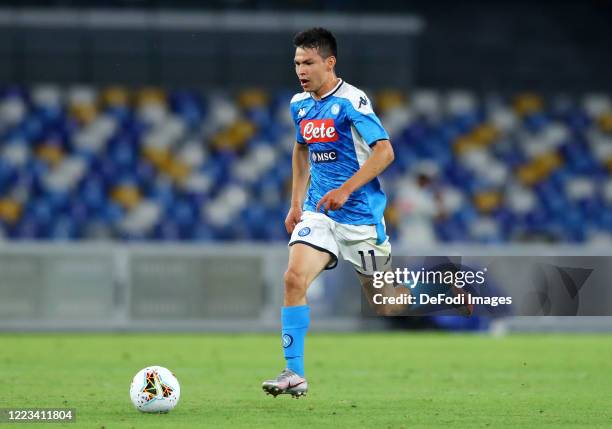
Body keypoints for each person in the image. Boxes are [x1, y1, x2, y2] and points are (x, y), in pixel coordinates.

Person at [261, 27, 396, 399]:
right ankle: (295, 373)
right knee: (293, 279)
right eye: (296, 63)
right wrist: (295, 203)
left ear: (329, 62)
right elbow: (301, 149)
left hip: (361, 219)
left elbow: (385, 152)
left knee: (387, 304)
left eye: (308, 63)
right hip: (319, 213)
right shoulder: (299, 105)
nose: (300, 70)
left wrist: (346, 188)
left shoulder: (354, 101)